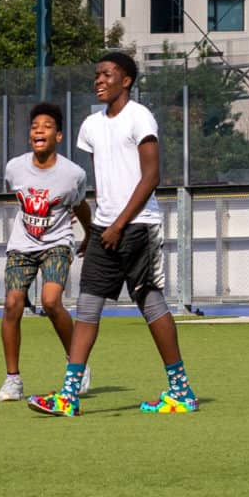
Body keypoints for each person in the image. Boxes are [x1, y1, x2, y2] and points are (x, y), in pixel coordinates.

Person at [29, 51, 199, 419]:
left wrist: (120, 224)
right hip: (105, 230)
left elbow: (151, 176)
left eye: (107, 74)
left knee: (152, 306)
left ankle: (181, 392)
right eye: (96, 75)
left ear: (127, 81)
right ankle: (69, 397)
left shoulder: (140, 117)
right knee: (87, 307)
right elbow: (101, 182)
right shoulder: (90, 125)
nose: (99, 80)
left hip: (138, 228)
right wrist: (96, 230)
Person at [0, 103, 89, 402]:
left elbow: (79, 205)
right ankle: (13, 380)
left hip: (57, 244)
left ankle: (76, 363)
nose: (39, 129)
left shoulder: (73, 174)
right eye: (35, 126)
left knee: (50, 301)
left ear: (58, 136)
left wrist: (91, 233)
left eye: (47, 126)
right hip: (21, 246)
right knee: (13, 303)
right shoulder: (14, 167)